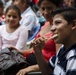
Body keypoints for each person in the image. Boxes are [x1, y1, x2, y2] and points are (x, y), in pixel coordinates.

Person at [16, 0, 63, 75]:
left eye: (49, 8)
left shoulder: (59, 30)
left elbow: (57, 61)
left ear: (58, 7)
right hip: (30, 61)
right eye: (43, 9)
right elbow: (36, 49)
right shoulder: (46, 23)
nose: (46, 12)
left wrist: (31, 68)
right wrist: (20, 52)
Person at [32, 7, 76, 75]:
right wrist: (38, 52)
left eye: (57, 23)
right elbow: (48, 71)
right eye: (52, 24)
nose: (52, 29)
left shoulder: (73, 57)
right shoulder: (63, 49)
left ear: (73, 25)